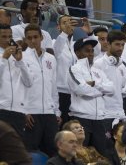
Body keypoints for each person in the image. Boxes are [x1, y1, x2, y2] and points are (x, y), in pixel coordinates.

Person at [67, 37, 115, 160]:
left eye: (92, 51)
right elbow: (82, 90)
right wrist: (101, 91)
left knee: (100, 157)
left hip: (99, 119)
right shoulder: (74, 69)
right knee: (79, 155)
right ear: (77, 53)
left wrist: (94, 84)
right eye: (86, 51)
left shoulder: (98, 71)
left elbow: (111, 89)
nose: (90, 54)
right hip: (82, 118)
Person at [23, 24, 60, 157]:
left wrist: (56, 111)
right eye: (29, 38)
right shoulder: (20, 58)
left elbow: (53, 86)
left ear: (41, 37)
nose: (33, 41)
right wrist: (24, 111)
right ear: (25, 40)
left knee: (54, 153)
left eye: (35, 37)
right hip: (31, 113)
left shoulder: (50, 59)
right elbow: (18, 88)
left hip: (49, 113)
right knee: (29, 153)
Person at [0, 24, 33, 138]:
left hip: (18, 111)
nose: (7, 40)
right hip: (1, 109)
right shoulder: (3, 56)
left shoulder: (18, 56)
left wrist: (20, 62)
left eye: (10, 36)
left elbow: (29, 83)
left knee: (16, 151)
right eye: (3, 36)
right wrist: (4, 59)